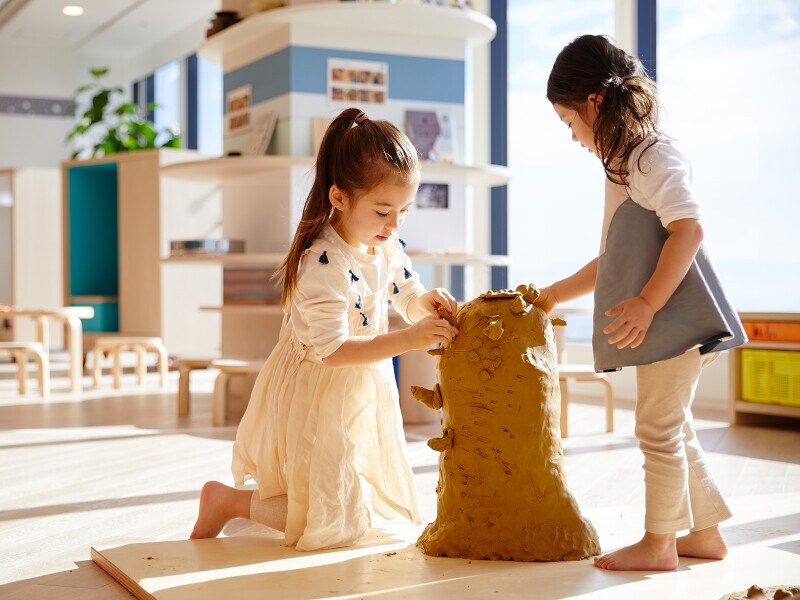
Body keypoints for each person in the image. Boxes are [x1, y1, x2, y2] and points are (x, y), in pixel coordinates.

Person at [190, 107, 459, 550]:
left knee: (344, 498)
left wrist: (423, 303)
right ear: (339, 197)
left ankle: (243, 503)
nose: (393, 226)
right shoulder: (323, 263)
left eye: (404, 212)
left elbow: (405, 291)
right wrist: (409, 339)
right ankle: (227, 502)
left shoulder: (384, 243)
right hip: (317, 388)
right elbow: (332, 351)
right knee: (324, 512)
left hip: (359, 385)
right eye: (383, 211)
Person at [536, 35, 746, 571]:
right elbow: (612, 259)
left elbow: (689, 229)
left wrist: (649, 303)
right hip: (669, 324)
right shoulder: (623, 163)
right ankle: (705, 534)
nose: (572, 137)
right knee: (675, 427)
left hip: (676, 320)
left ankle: (658, 545)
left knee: (656, 431)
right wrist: (552, 295)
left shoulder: (651, 156)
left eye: (569, 122)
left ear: (595, 103)